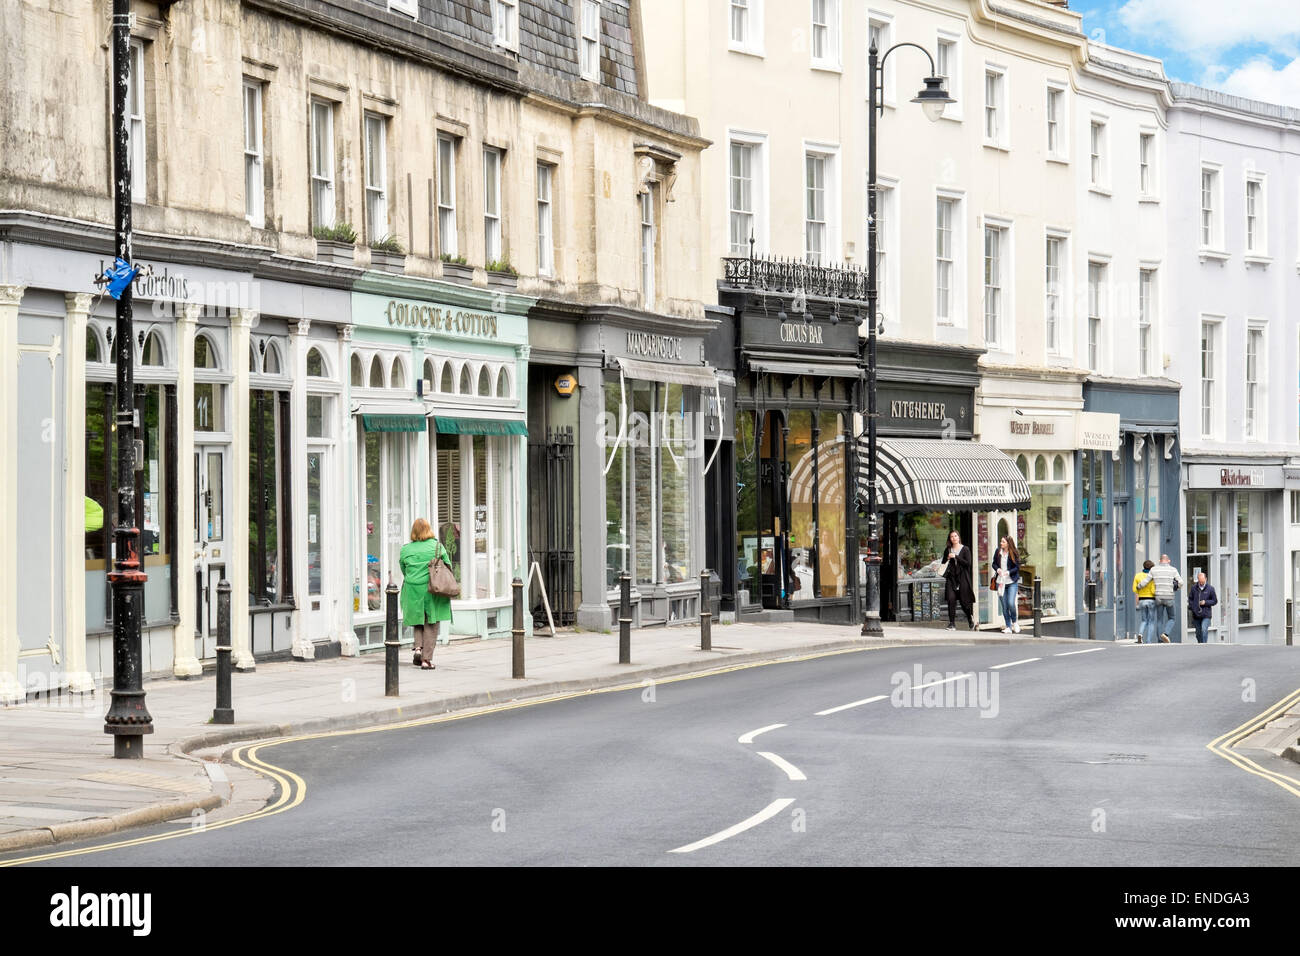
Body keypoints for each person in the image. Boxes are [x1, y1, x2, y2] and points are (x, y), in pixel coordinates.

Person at [399, 518, 454, 670]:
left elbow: (403, 569)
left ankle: (418, 648)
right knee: (431, 623)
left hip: (411, 589)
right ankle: (426, 660)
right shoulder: (437, 547)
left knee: (418, 621)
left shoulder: (405, 549)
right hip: (431, 589)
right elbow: (448, 565)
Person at [940, 530, 975, 631]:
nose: (954, 538)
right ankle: (952, 624)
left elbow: (968, 563)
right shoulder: (948, 549)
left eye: (955, 536)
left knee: (964, 603)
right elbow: (943, 563)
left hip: (963, 578)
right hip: (951, 578)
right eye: (952, 537)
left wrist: (956, 557)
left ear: (958, 537)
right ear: (950, 539)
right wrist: (947, 557)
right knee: (951, 600)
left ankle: (969, 618)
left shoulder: (965, 549)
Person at [1149, 553, 1183, 643]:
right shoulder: (1173, 570)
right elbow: (1181, 582)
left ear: (1160, 561)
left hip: (1158, 597)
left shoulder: (1154, 569)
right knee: (1172, 618)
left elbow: (1148, 581)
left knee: (1159, 619)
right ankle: (1166, 633)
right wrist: (1176, 588)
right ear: (1169, 561)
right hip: (1169, 597)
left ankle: (1160, 640)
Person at [991, 536, 1021, 633]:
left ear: (1008, 543)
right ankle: (1008, 626)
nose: (1001, 543)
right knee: (1004, 606)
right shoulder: (998, 552)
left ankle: (1015, 622)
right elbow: (994, 564)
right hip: (1000, 582)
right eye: (1001, 541)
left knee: (1011, 603)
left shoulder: (1014, 552)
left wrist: (1008, 572)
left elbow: (1017, 567)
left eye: (1003, 541)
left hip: (1011, 582)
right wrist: (998, 569)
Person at [1187, 571, 1218, 644]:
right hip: (1196, 614)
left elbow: (1215, 601)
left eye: (1202, 582)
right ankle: (1200, 644)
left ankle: (1204, 645)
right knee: (1198, 632)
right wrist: (1193, 607)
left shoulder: (1210, 589)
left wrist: (1206, 602)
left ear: (1206, 579)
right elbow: (1190, 599)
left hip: (1206, 614)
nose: (1201, 583)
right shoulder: (1194, 588)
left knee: (1204, 629)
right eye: (1200, 582)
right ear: (1198, 580)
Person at [1132, 559, 1157, 644]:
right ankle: (1149, 640)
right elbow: (1153, 591)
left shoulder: (1137, 576)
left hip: (1142, 600)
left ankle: (1140, 634)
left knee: (1144, 620)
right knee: (1151, 621)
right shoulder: (1152, 577)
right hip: (1151, 600)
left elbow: (1135, 589)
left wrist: (1137, 602)